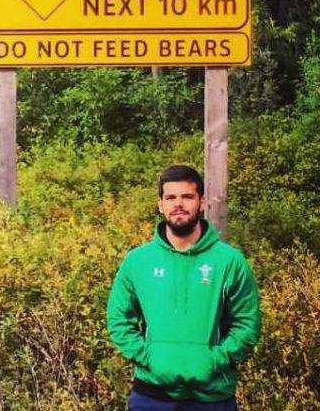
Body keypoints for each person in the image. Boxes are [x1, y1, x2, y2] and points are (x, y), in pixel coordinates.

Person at [106, 165, 261, 410]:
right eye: (171, 197)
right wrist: (149, 358)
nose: (179, 204)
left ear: (201, 201)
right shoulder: (138, 261)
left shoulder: (229, 261)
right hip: (151, 396)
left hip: (212, 396)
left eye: (187, 196)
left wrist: (214, 360)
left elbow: (247, 323)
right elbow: (118, 319)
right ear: (160, 204)